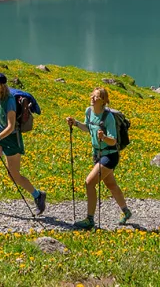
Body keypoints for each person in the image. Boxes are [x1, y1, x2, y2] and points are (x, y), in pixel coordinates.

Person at [0, 72, 46, 215]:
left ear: (2, 86)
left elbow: (11, 126)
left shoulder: (10, 101)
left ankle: (38, 195)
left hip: (11, 139)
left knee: (14, 176)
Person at [66, 87, 132, 229]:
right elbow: (88, 128)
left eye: (96, 97)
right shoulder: (88, 111)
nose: (92, 98)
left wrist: (104, 137)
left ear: (103, 101)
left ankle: (90, 220)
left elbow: (113, 140)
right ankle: (126, 212)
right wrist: (76, 123)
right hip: (97, 154)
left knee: (89, 182)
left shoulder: (108, 117)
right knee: (111, 185)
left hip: (110, 155)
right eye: (92, 95)